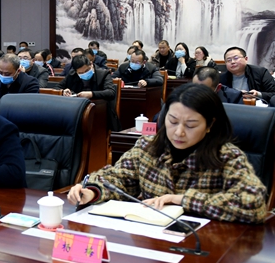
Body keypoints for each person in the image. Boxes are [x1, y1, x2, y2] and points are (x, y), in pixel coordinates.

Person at [67, 83, 268, 224]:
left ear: (210, 125)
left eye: (191, 125)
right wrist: (92, 191)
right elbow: (117, 178)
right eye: (172, 121)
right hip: (153, 242)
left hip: (207, 245)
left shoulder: (226, 156)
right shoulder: (148, 145)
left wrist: (181, 200)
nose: (178, 132)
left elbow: (254, 203)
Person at [56, 55, 119, 130]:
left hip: (101, 113)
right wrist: (63, 91)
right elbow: (57, 88)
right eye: (81, 73)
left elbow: (111, 92)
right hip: (77, 112)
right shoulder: (72, 74)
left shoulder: (103, 74)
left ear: (91, 64)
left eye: (87, 70)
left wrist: (91, 94)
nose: (84, 74)